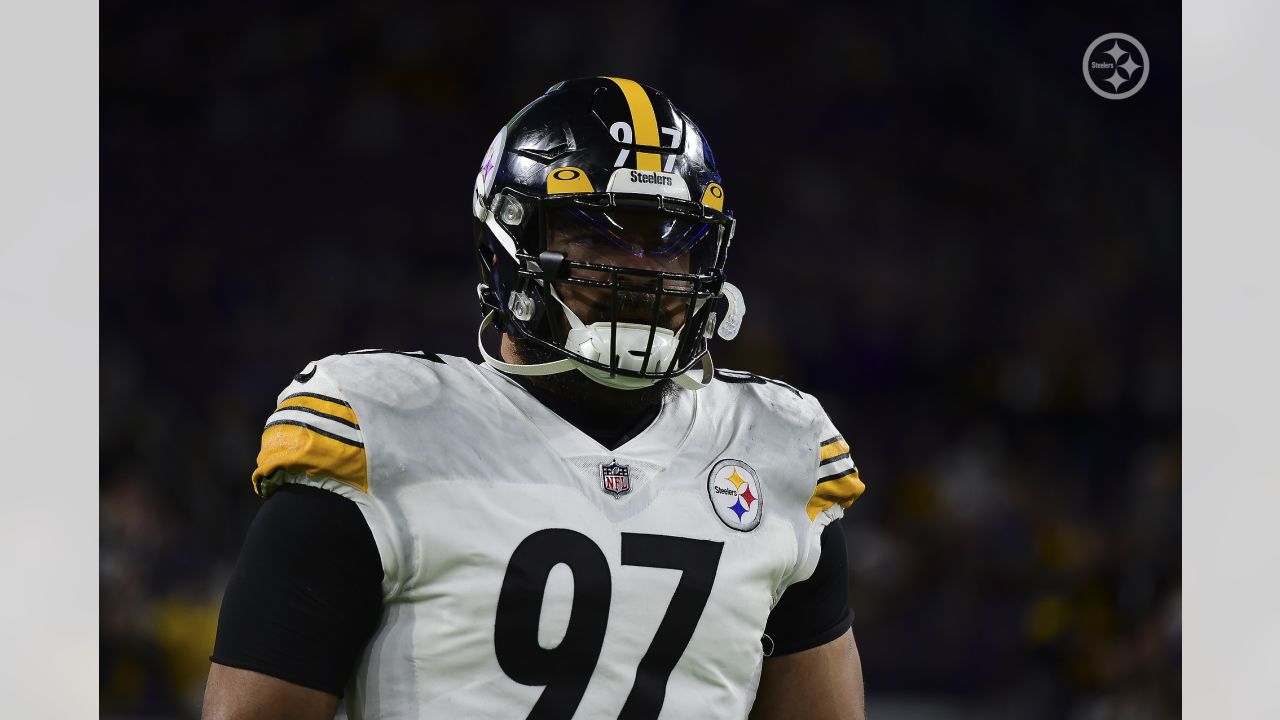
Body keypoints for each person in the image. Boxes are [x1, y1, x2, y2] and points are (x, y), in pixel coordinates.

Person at [202, 77, 867, 720]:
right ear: (510, 245)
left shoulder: (777, 448)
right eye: (598, 236)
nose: (640, 273)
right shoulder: (383, 430)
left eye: (670, 242)